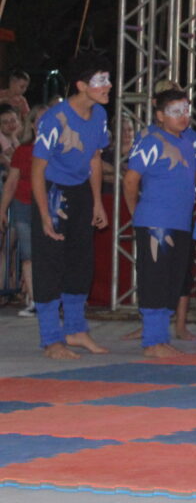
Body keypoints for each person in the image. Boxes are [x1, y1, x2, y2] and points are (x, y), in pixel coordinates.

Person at [30, 54, 113, 359]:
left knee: (81, 262)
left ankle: (76, 330)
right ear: (81, 85)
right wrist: (43, 215)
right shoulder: (55, 119)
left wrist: (96, 203)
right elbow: (37, 169)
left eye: (107, 79)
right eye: (100, 80)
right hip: (52, 192)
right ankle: (52, 339)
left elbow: (93, 159)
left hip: (80, 192)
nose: (108, 86)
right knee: (50, 264)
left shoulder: (101, 115)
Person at [121, 89, 196, 357]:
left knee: (173, 281)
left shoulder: (191, 141)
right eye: (176, 111)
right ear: (160, 115)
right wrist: (136, 213)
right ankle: (153, 341)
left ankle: (161, 336)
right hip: (155, 221)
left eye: (186, 110)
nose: (183, 116)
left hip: (181, 223)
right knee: (154, 279)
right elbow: (130, 180)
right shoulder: (151, 141)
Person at [0, 104, 46, 317]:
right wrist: (2, 210)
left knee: (50, 252)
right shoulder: (24, 150)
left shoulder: (60, 150)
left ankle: (50, 297)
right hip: (24, 203)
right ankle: (35, 300)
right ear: (33, 125)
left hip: (49, 206)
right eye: (39, 120)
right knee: (28, 254)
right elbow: (11, 183)